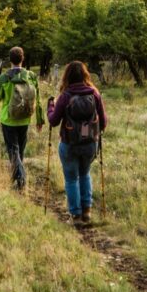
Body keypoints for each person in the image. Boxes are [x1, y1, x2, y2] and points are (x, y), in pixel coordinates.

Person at [47, 60, 106, 223]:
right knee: (85, 174)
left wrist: (50, 106)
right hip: (89, 143)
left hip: (69, 143)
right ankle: (87, 211)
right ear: (85, 74)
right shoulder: (94, 93)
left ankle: (75, 215)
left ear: (67, 76)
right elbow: (104, 122)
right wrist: (88, 130)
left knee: (72, 179)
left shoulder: (66, 96)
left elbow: (53, 121)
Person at [0, 46, 45, 190]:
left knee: (13, 151)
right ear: (22, 58)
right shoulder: (31, 76)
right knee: (20, 151)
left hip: (9, 120)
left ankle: (21, 179)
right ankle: (17, 180)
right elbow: (38, 100)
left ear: (10, 60)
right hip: (25, 119)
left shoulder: (4, 77)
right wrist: (40, 119)